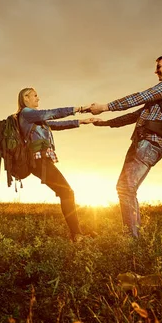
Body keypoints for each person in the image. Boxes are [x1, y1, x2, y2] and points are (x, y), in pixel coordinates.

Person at [89, 54, 162, 238]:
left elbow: (140, 97)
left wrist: (104, 106)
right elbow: (135, 115)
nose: (156, 70)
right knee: (126, 188)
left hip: (150, 143)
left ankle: (132, 241)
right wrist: (104, 123)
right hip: (143, 141)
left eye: (159, 66)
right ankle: (134, 237)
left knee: (126, 188)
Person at [17, 87, 99, 242]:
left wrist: (81, 121)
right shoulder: (26, 113)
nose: (38, 98)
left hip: (42, 160)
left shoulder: (34, 118)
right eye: (35, 95)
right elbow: (51, 113)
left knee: (66, 192)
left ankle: (77, 234)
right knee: (67, 192)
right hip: (39, 160)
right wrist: (79, 109)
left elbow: (55, 124)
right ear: (25, 97)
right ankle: (77, 236)